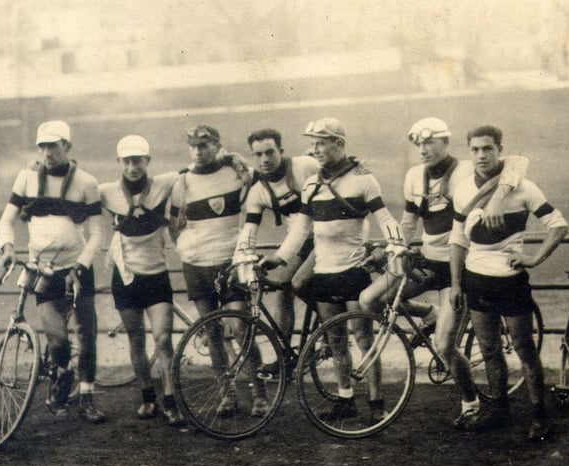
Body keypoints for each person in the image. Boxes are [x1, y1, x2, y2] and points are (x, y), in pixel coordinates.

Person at [357, 117, 528, 427]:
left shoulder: (466, 169)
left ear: (446, 142)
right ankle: (429, 313)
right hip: (427, 261)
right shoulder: (414, 176)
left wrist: (500, 196)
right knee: (369, 299)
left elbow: (517, 163)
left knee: (444, 345)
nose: (423, 149)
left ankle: (470, 401)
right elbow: (409, 223)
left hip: (457, 269)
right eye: (418, 144)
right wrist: (390, 248)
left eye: (429, 142)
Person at [262, 117, 404, 422]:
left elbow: (384, 218)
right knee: (337, 339)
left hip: (353, 272)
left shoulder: (363, 179)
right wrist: (279, 257)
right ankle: (345, 399)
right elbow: (300, 230)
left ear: (339, 144)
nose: (315, 150)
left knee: (363, 339)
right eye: (312, 144)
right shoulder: (312, 185)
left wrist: (396, 244)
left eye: (321, 144)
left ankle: (376, 403)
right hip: (324, 273)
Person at [449, 124, 568, 441]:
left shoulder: (524, 188)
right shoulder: (463, 190)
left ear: (500, 150)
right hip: (476, 279)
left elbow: (558, 225)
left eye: (488, 148)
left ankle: (540, 415)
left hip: (511, 281)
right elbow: (457, 240)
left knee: (524, 348)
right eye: (475, 149)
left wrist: (535, 258)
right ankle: (499, 411)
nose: (481, 155)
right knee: (489, 349)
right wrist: (456, 284)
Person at [0, 120, 106, 423]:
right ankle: (63, 374)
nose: (47, 152)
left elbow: (97, 233)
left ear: (67, 146)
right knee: (57, 340)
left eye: (53, 145)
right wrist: (7, 247)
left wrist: (81, 265)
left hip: (77, 269)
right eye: (42, 146)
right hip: (43, 271)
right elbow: (6, 220)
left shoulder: (86, 182)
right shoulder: (26, 177)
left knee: (86, 336)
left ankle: (87, 399)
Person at [168, 125, 268, 418]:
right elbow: (173, 226)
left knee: (240, 328)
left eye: (205, 145)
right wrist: (187, 247)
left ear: (217, 145)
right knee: (212, 332)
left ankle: (260, 394)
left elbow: (271, 178)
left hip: (230, 262)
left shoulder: (237, 171)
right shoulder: (182, 181)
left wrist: (233, 158)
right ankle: (227, 395)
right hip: (197, 264)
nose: (198, 151)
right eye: (194, 146)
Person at [98, 135, 182, 426]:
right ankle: (148, 397)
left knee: (163, 339)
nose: (132, 167)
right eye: (127, 161)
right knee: (136, 339)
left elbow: (193, 171)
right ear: (119, 163)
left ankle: (170, 399)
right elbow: (76, 193)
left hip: (156, 275)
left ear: (148, 161)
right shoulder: (106, 191)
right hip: (126, 277)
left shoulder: (164, 183)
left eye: (138, 161)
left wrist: (232, 158)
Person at [234, 128, 320, 374]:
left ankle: (327, 326)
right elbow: (249, 230)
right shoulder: (258, 191)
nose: (265, 159)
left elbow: (338, 175)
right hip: (299, 242)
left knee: (300, 283)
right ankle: (285, 357)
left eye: (270, 152)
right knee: (282, 290)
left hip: (327, 238)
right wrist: (239, 260)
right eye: (258, 154)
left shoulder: (304, 166)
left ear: (281, 151)